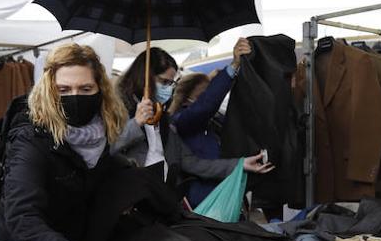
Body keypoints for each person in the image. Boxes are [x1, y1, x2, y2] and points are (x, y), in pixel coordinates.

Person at [0, 42, 192, 241]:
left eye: (85, 90)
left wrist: (172, 206)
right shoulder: (29, 139)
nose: (75, 98)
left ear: (100, 89)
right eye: (64, 90)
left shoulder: (99, 137)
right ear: (49, 90)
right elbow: (22, 217)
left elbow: (112, 174)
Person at [111, 46, 271, 203]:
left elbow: (191, 162)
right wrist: (135, 123)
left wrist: (240, 164)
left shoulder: (163, 121)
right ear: (144, 78)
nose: (167, 89)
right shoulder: (117, 110)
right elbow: (105, 150)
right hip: (133, 202)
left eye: (171, 83)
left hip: (162, 201)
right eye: (163, 81)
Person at [169, 38, 252, 208]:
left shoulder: (214, 120)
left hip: (224, 193)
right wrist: (232, 68)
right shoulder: (182, 120)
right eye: (203, 94)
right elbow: (206, 105)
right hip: (203, 198)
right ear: (188, 98)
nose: (209, 97)